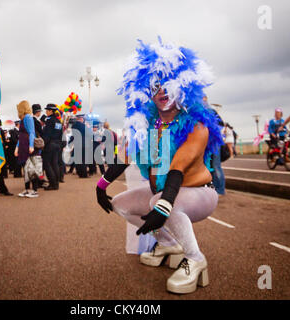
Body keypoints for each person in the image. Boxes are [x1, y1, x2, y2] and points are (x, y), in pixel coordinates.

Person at [95, 38, 223, 294]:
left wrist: (164, 203)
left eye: (168, 85)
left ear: (182, 86)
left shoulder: (197, 124)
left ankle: (195, 258)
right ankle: (167, 244)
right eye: (155, 86)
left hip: (198, 193)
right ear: (145, 91)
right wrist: (101, 185)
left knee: (160, 203)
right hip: (161, 192)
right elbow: (125, 156)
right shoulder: (145, 123)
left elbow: (179, 165)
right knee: (119, 204)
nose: (162, 92)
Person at [14, 101, 39, 198]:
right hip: (23, 145)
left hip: (27, 145)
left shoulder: (28, 117)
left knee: (30, 169)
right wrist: (17, 147)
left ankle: (34, 190)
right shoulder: (23, 119)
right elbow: (21, 136)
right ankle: (27, 189)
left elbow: (31, 132)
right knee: (26, 168)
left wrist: (31, 145)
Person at [42, 104, 63, 190]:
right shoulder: (58, 121)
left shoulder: (49, 121)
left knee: (47, 164)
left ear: (51, 111)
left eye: (47, 110)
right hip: (57, 144)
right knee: (55, 164)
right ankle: (56, 183)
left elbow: (47, 135)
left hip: (50, 145)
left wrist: (43, 144)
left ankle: (52, 184)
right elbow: (60, 134)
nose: (46, 112)